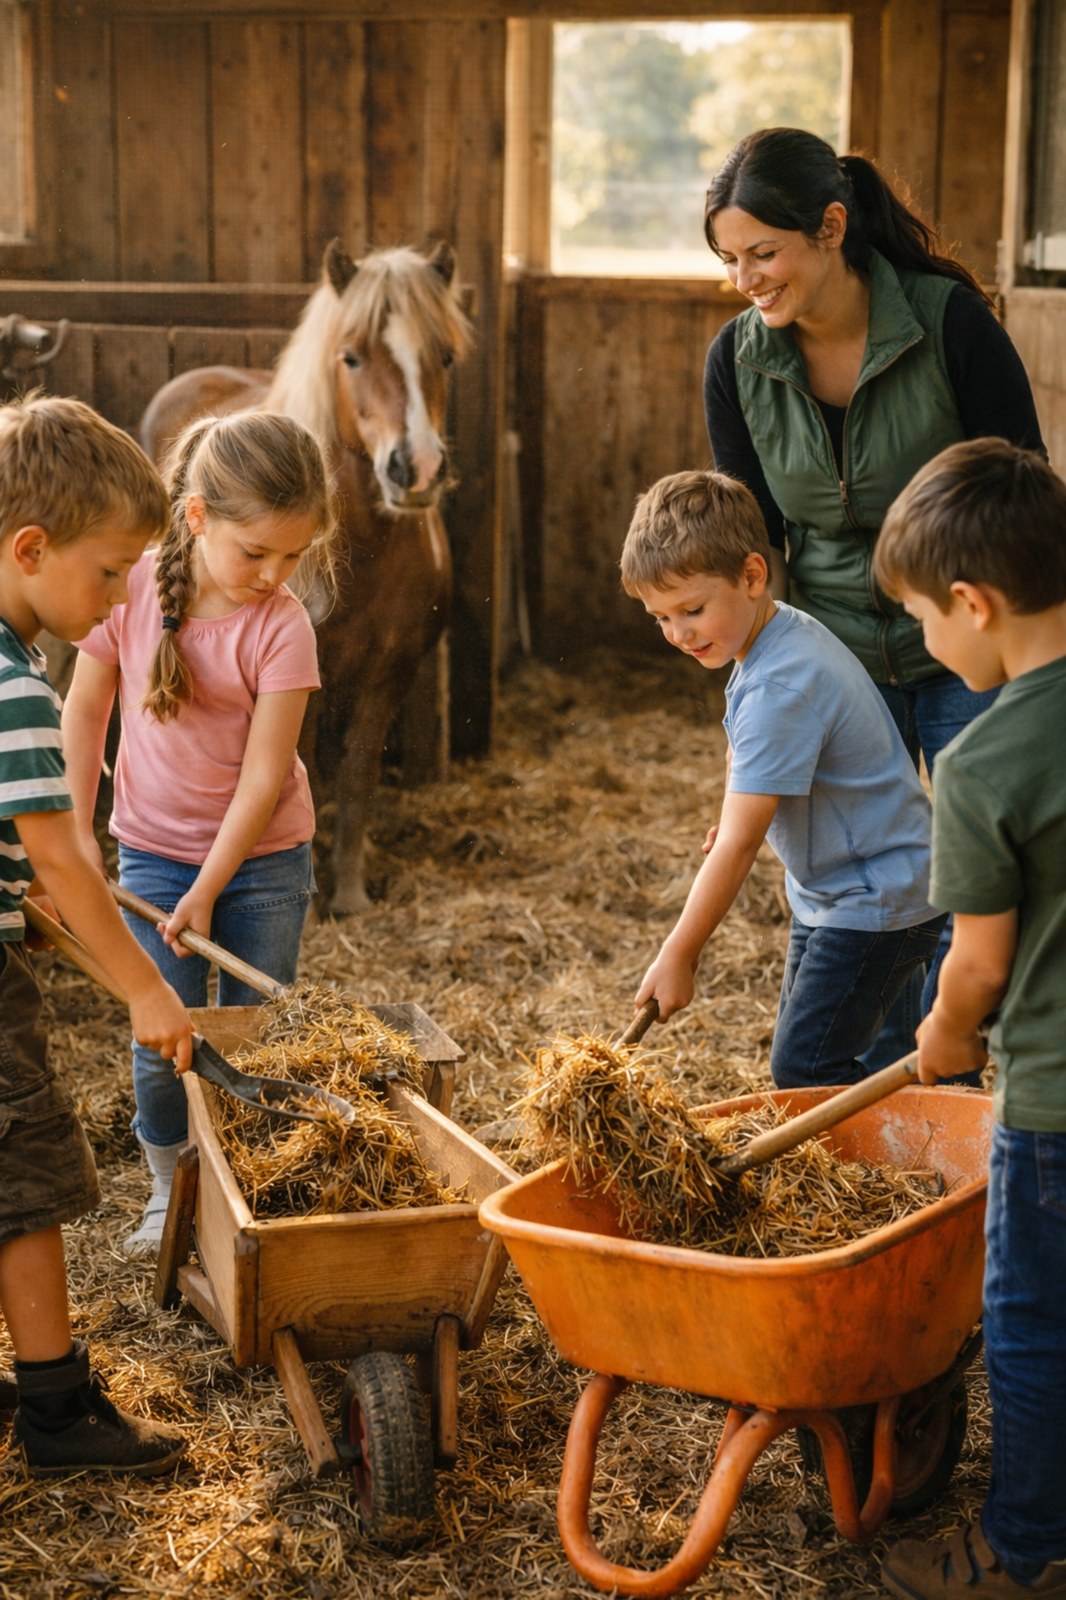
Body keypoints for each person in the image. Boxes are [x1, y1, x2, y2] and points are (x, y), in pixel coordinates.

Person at [701, 126, 1046, 1064]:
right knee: (871, 889)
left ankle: (990, 1064)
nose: (747, 280)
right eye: (731, 259)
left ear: (832, 228)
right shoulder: (737, 360)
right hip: (835, 656)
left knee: (990, 865)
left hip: (963, 639)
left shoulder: (947, 325)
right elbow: (752, 548)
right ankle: (896, 1092)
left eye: (764, 253)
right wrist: (755, 717)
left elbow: (1022, 488)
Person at [62, 410, 337, 1257]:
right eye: (256, 552)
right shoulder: (134, 586)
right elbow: (84, 709)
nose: (275, 574)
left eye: (293, 555)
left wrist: (210, 888)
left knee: (254, 1032)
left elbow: (265, 778)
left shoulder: (283, 624)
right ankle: (165, 1188)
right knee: (163, 1036)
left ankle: (243, 1196)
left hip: (262, 863)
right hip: (149, 851)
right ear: (197, 518)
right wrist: (73, 840)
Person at [873, 439, 1066, 1600]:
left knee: (1033, 1326)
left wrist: (943, 1038)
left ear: (972, 602)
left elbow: (979, 965)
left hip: (1051, 1103)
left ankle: (1028, 1548)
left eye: (919, 623)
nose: (924, 650)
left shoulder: (986, 756)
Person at [0, 392, 193, 1474]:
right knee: (25, 1179)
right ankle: (58, 1409)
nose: (122, 597)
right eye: (111, 570)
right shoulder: (20, 687)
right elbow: (67, 858)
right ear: (32, 547)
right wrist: (146, 991)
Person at [621, 468, 944, 1087]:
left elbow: (743, 842)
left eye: (691, 610)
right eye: (659, 617)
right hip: (838, 891)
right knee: (824, 1056)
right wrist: (736, 814)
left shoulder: (780, 684)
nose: (677, 635)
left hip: (875, 898)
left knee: (806, 1066)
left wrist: (679, 953)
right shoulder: (777, 635)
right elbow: (750, 763)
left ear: (751, 575)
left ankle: (866, 1174)